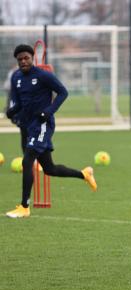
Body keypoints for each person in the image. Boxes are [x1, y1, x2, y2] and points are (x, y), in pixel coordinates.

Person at [5, 44, 97, 219]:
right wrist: (11, 112)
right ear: (17, 61)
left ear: (32, 58)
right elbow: (18, 103)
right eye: (20, 59)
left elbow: (63, 92)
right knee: (49, 169)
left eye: (26, 58)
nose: (23, 61)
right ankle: (84, 174)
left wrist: (48, 111)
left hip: (42, 124)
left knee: (27, 161)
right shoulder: (15, 77)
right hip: (27, 125)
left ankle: (24, 207)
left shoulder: (43, 75)